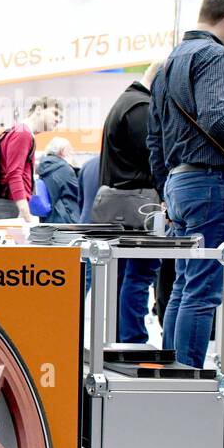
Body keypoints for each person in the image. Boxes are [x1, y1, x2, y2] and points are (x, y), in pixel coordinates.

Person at [147, 0, 224, 370]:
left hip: (179, 184)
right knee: (203, 291)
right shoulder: (214, 56)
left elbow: (154, 138)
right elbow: (220, 118)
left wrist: (166, 189)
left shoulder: (171, 60)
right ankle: (188, 382)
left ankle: (175, 377)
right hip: (211, 185)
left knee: (184, 288)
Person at [98, 62, 164, 343]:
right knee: (140, 273)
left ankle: (123, 336)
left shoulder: (125, 102)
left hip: (121, 203)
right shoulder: (141, 108)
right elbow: (152, 158)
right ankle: (133, 338)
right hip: (138, 203)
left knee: (124, 275)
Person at [0, 96, 62, 221]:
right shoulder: (23, 133)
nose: (58, 120)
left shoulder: (20, 131)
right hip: (5, 208)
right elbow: (14, 174)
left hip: (5, 206)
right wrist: (25, 213)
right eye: (55, 113)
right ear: (39, 110)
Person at [36, 136, 81, 223]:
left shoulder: (44, 167)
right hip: (66, 217)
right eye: (70, 150)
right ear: (63, 151)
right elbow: (78, 192)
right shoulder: (64, 168)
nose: (72, 152)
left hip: (48, 218)